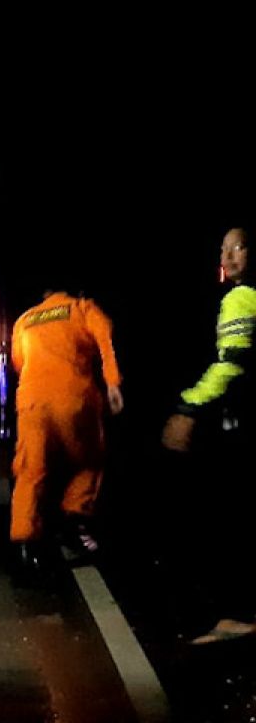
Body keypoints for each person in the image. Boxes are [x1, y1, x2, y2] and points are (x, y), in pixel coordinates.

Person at [162, 226, 256, 644]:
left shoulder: (241, 296)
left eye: (238, 247)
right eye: (224, 250)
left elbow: (231, 362)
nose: (229, 257)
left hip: (240, 423)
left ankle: (235, 614)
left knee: (226, 516)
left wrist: (187, 408)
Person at [10, 286, 124, 573]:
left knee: (30, 470)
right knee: (89, 460)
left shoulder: (25, 319)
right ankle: (75, 520)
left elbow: (18, 362)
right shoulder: (83, 308)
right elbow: (105, 340)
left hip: (32, 402)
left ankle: (25, 548)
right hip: (74, 399)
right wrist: (112, 381)